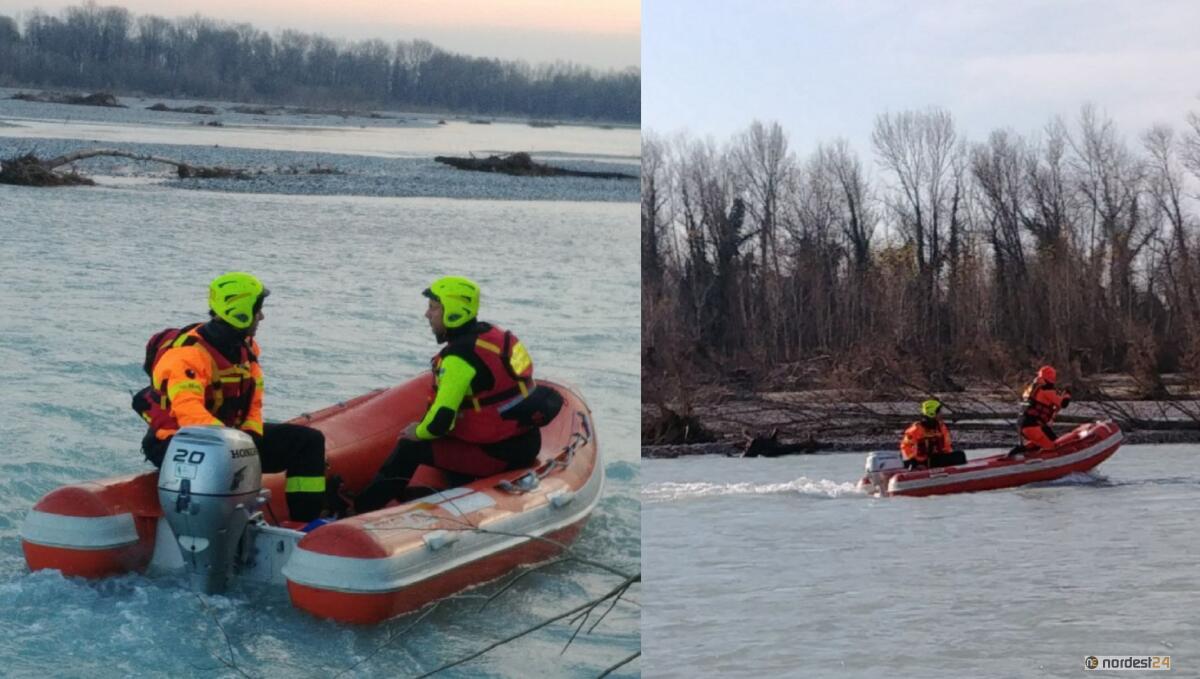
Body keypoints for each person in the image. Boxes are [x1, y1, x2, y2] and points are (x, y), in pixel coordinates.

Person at [352, 276, 563, 514]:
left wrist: (418, 431)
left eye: (433, 308)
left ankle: (359, 511)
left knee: (408, 447)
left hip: (496, 454)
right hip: (526, 441)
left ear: (453, 312)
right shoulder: (491, 336)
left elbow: (441, 421)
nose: (427, 315)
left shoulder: (458, 359)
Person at [133, 272, 327, 522]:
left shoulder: (246, 349)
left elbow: (253, 402)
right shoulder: (188, 355)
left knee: (308, 441)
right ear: (241, 311)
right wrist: (237, 447)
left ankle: (306, 522)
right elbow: (189, 414)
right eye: (258, 310)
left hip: (229, 440)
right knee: (226, 457)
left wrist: (250, 436)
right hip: (181, 444)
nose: (262, 317)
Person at [1009, 364, 1071, 457]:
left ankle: (1021, 449)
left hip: (1022, 425)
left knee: (1052, 440)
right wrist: (1067, 394)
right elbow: (1063, 404)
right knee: (1053, 448)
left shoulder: (1031, 388)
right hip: (1032, 426)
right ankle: (1047, 464)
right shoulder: (1046, 390)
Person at [900, 399, 966, 470]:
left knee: (960, 455)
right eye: (939, 412)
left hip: (935, 459)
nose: (941, 414)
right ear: (932, 413)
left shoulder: (941, 428)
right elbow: (905, 447)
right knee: (958, 457)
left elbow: (947, 447)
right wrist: (914, 463)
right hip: (919, 462)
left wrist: (949, 459)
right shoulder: (916, 430)